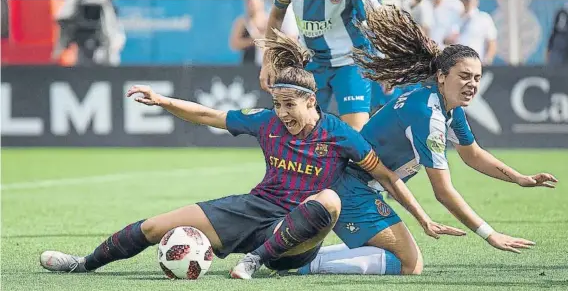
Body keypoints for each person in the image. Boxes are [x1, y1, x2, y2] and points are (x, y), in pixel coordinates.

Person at [38, 29, 440, 280]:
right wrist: (163, 101)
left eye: (290, 105)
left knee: (330, 200)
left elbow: (385, 175)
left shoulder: (340, 134)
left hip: (296, 235)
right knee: (155, 226)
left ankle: (254, 262)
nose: (283, 113)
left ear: (312, 102)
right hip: (254, 208)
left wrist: (421, 217)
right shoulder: (265, 121)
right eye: (277, 105)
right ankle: (84, 263)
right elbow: (207, 114)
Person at [277, 5, 558, 276]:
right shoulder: (428, 113)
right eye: (464, 76)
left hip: (360, 188)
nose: (472, 84)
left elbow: (472, 154)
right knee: (410, 265)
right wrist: (489, 233)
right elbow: (443, 192)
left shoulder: (445, 105)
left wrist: (520, 178)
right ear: (441, 75)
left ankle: (301, 255)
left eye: (477, 77)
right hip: (351, 190)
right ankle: (304, 263)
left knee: (394, 256)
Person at [259, 0, 382, 131]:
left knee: (356, 131)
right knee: (301, 129)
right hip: (311, 61)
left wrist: (387, 58)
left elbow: (377, 18)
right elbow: (277, 15)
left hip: (350, 62)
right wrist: (267, 61)